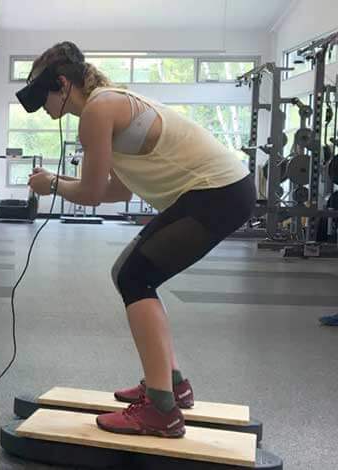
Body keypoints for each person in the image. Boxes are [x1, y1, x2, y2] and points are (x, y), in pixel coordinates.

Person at [21, 42, 255, 438]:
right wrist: (60, 184)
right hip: (218, 193)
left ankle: (161, 409)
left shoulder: (98, 109)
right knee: (128, 273)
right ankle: (171, 384)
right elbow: (118, 191)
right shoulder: (106, 107)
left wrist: (53, 184)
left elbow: (93, 194)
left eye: (42, 96)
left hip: (217, 193)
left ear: (61, 84)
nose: (43, 108)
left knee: (135, 277)